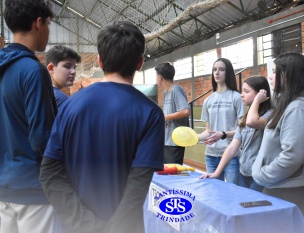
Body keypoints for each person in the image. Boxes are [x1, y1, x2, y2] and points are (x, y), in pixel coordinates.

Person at [39, 21, 165, 233]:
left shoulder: (70, 106)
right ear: (140, 63)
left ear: (99, 61)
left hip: (74, 226)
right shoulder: (150, 114)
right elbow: (138, 185)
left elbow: (49, 174)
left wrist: (85, 225)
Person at [0, 0, 60, 233]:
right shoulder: (33, 70)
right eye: (48, 24)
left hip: (3, 186)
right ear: (39, 23)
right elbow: (41, 138)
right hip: (32, 188)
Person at [252, 53, 304, 216]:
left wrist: (263, 175)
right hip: (285, 184)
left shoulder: (298, 109)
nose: (270, 77)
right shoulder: (289, 104)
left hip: (289, 186)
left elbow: (292, 157)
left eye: (274, 71)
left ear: (287, 75)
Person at [200, 76, 271, 192]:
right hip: (244, 173)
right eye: (242, 91)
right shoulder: (245, 118)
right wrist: (216, 173)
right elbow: (232, 147)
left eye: (246, 91)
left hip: (259, 175)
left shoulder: (269, 114)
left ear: (260, 94)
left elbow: (252, 122)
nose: (241, 95)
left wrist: (257, 101)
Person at [198, 58, 245, 184]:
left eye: (221, 69)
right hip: (211, 155)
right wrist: (195, 137)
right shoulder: (208, 100)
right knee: (214, 194)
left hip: (231, 155)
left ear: (228, 72)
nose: (217, 73)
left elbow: (242, 130)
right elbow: (209, 131)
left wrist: (223, 135)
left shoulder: (236, 97)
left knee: (232, 193)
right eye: (214, 69)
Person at [155, 62, 191, 164]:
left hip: (175, 141)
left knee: (173, 174)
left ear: (160, 78)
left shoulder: (176, 90)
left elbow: (186, 111)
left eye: (156, 76)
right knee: (165, 172)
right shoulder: (166, 92)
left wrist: (165, 117)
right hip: (166, 140)